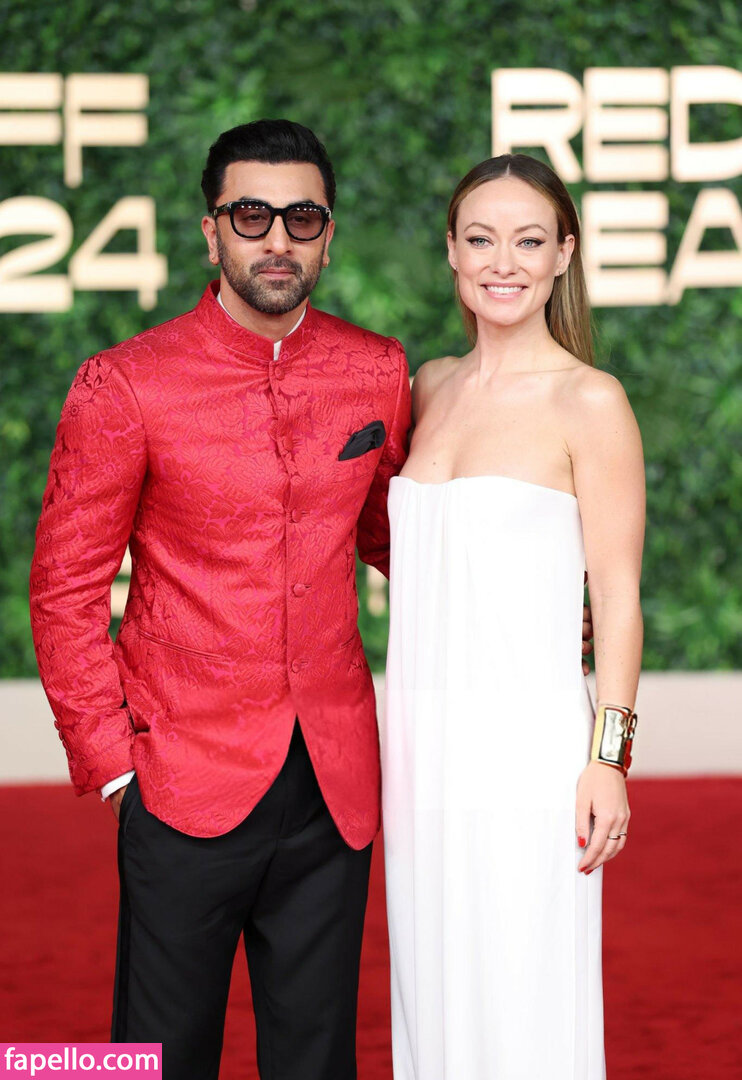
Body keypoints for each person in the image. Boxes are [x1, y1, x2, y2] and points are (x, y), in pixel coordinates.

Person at [29, 119, 412, 1080]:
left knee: (316, 1059)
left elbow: (395, 541)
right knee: (162, 1056)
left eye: (301, 217)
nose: (277, 239)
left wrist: (532, 605)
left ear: (328, 235)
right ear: (212, 233)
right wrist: (114, 767)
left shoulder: (376, 371)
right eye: (251, 215)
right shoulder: (125, 384)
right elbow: (65, 588)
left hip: (333, 782)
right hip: (177, 776)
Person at [382, 154, 644, 1080]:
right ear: (452, 251)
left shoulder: (589, 400)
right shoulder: (429, 386)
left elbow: (617, 599)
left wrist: (609, 760)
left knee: (523, 991)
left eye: (529, 241)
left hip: (529, 751)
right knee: (433, 985)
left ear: (564, 254)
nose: (504, 262)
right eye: (481, 239)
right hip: (418, 748)